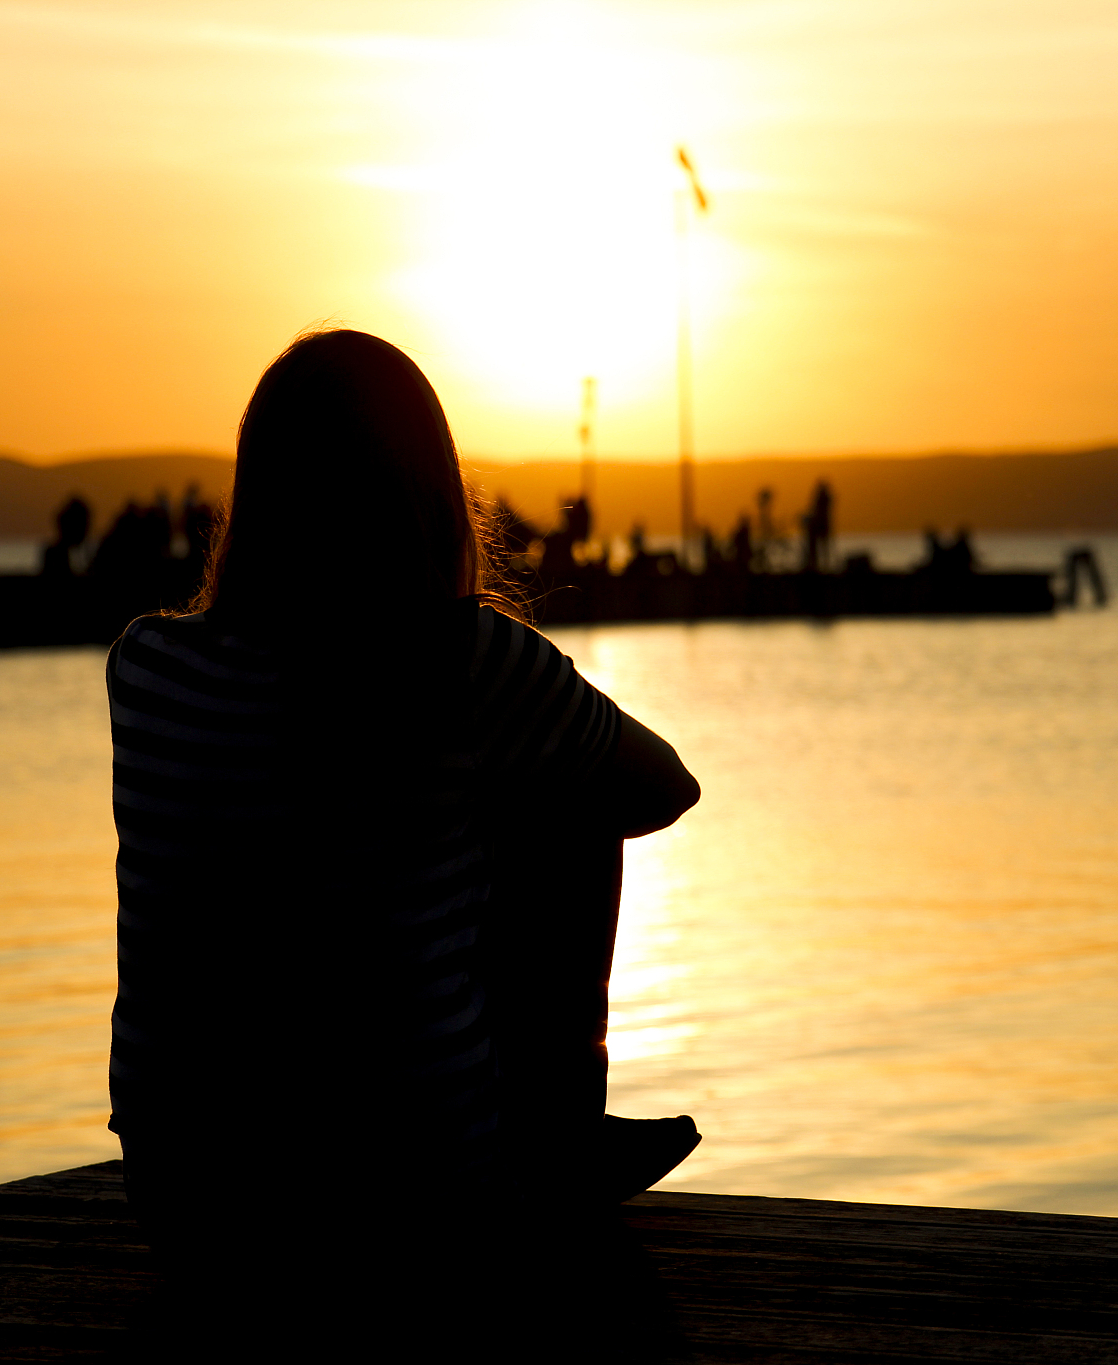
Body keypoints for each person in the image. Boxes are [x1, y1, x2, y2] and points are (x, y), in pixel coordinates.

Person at [105, 329, 701, 1348]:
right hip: (419, 1220)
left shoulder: (147, 667)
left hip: (189, 1215)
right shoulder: (464, 665)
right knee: (569, 796)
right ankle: (555, 1141)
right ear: (427, 492)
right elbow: (663, 787)